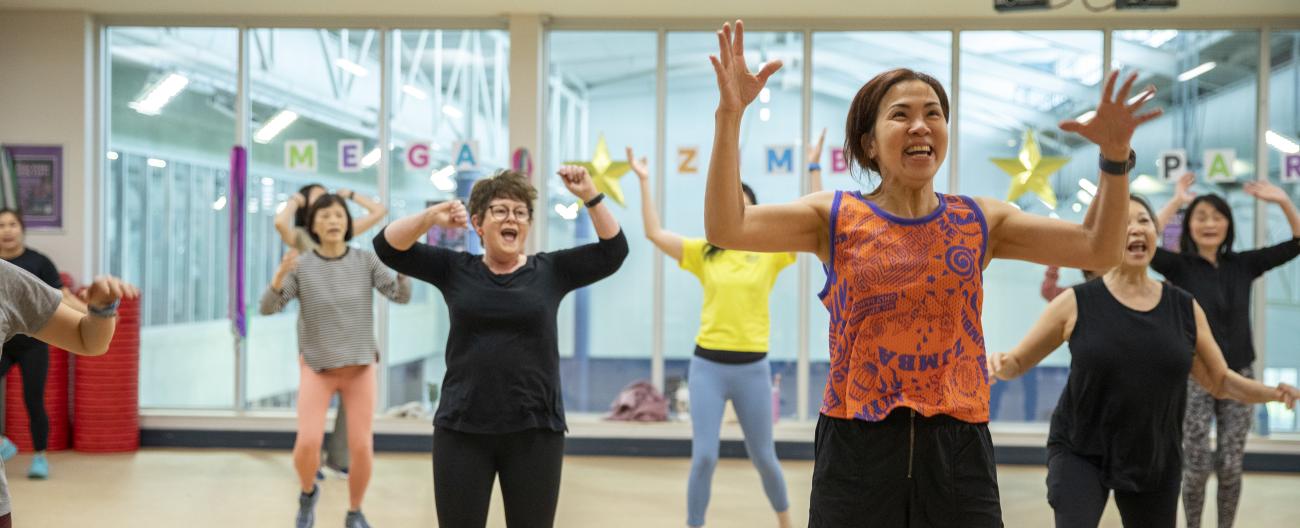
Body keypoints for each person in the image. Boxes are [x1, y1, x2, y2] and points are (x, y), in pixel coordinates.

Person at [702, 19, 1162, 526]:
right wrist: (730, 116)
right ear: (870, 144)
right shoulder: (833, 217)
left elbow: (1099, 248)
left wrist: (1115, 158)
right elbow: (728, 227)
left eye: (934, 114)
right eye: (901, 115)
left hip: (958, 447)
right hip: (856, 444)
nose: (921, 126)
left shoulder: (980, 219)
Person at [987, 195, 1300, 528]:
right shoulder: (1076, 302)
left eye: (1144, 221)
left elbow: (1219, 380)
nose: (1135, 230)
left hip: (1153, 455)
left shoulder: (1184, 308)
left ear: (1156, 232)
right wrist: (998, 363)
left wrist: (1273, 393)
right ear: (1103, 237)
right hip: (1081, 449)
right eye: (1123, 224)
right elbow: (1018, 361)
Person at [373, 168, 627, 528]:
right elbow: (387, 247)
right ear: (478, 223)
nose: (512, 218)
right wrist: (432, 216)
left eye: (521, 212)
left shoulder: (551, 270)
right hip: (462, 429)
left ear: (528, 224)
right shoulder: (455, 269)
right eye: (501, 210)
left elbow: (614, 251)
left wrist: (590, 194)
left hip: (535, 430)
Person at [628, 146, 794, 528]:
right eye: (733, 206)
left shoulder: (769, 253)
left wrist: (815, 167)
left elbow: (818, 226)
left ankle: (786, 521)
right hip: (708, 367)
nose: (738, 213)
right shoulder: (705, 253)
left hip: (753, 368)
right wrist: (643, 179)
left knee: (764, 458)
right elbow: (654, 233)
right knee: (704, 457)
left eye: (745, 206)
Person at [1151, 171, 1300, 528]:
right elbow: (1138, 240)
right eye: (1200, 217)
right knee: (1197, 465)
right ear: (1189, 227)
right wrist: (1175, 202)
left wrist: (1282, 200)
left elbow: (1298, 241)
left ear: (1228, 225)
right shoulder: (1179, 266)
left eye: (1217, 217)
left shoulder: (1243, 264)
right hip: (1195, 376)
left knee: (1231, 466)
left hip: (1239, 376)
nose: (1209, 224)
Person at [260, 194, 412, 528]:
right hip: (318, 367)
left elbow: (399, 297)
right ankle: (307, 492)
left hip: (359, 367)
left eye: (339, 216)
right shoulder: (301, 264)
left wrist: (403, 270)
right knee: (308, 444)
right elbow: (268, 307)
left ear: (347, 223)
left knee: (362, 448)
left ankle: (355, 511)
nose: (333, 221)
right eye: (325, 216)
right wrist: (277, 278)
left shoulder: (366, 260)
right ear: (313, 225)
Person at [0, 258, 136, 528]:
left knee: (34, 399)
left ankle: (39, 455)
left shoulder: (6, 280)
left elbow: (86, 339)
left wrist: (101, 308)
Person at [275, 184, 388, 481]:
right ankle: (310, 459)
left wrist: (351, 194)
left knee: (350, 408)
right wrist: (294, 200)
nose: (328, 208)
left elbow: (379, 212)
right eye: (316, 197)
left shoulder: (341, 231)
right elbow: (278, 223)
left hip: (351, 334)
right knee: (314, 405)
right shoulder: (301, 236)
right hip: (316, 332)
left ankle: (338, 460)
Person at [0, 208, 89, 478]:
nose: (7, 230)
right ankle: (3, 443)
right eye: (1, 225)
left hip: (32, 345)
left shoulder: (39, 262)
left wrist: (91, 313)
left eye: (12, 224)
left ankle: (40, 458)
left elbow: (61, 298)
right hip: (3, 343)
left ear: (22, 228)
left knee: (34, 401)